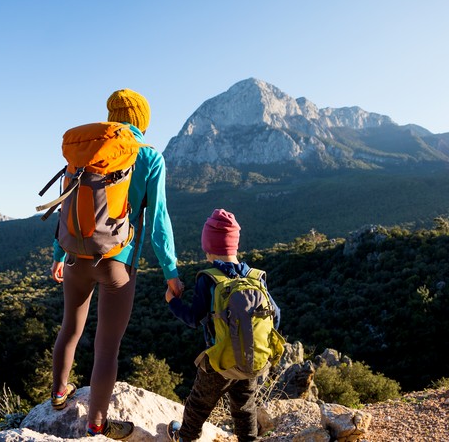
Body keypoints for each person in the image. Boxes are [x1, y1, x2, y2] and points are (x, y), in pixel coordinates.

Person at [49, 88, 185, 439]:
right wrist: (170, 272)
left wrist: (58, 253)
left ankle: (59, 395)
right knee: (107, 347)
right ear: (142, 120)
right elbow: (158, 221)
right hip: (117, 264)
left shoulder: (88, 150)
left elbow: (69, 206)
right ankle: (96, 423)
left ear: (111, 115)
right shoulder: (150, 156)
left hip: (76, 255)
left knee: (70, 328)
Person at [165, 209, 279, 442]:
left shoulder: (208, 278)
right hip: (252, 359)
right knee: (245, 407)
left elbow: (194, 319)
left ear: (208, 247)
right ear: (235, 246)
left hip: (220, 361)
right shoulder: (257, 277)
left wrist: (173, 302)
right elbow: (275, 316)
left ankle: (185, 437)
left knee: (199, 402)